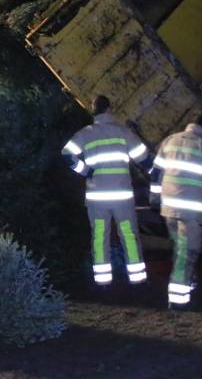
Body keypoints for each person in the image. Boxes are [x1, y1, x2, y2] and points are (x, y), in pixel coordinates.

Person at [149, 109, 202, 311]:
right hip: (192, 213)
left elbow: (156, 174)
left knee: (179, 250)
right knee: (186, 254)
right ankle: (178, 301)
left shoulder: (170, 140)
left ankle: (188, 282)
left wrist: (154, 198)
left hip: (168, 208)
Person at [61, 95, 151, 288]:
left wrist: (85, 171)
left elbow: (66, 155)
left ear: (94, 111)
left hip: (97, 199)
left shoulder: (85, 133)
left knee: (100, 236)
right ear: (109, 109)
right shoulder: (123, 132)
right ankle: (137, 278)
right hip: (122, 198)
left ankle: (103, 281)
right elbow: (144, 159)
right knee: (129, 235)